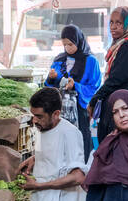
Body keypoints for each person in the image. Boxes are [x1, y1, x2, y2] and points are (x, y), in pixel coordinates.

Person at [43, 24, 101, 155]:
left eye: (70, 44)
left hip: (80, 110)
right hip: (60, 109)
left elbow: (95, 87)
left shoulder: (91, 61)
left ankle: (82, 171)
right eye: (64, 45)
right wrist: (51, 78)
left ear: (78, 41)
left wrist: (76, 86)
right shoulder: (59, 59)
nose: (67, 48)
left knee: (80, 139)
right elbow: (49, 86)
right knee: (61, 141)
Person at [88, 7, 128, 142]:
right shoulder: (120, 45)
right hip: (117, 106)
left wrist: (95, 100)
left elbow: (116, 80)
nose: (113, 27)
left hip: (120, 108)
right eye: (111, 22)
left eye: (118, 23)